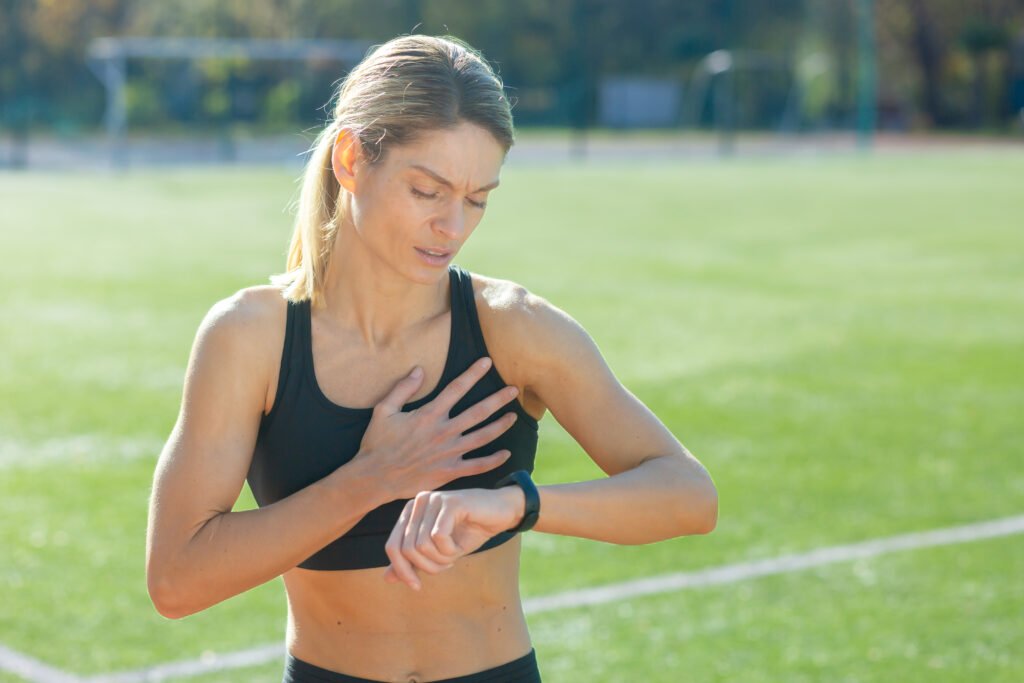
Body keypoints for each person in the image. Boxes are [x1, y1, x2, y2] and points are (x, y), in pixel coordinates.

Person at [145, 34, 718, 683]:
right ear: (351, 159)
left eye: (478, 199)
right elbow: (175, 579)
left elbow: (688, 495)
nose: (454, 226)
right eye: (428, 191)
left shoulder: (513, 327)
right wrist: (370, 477)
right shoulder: (249, 338)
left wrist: (517, 504)